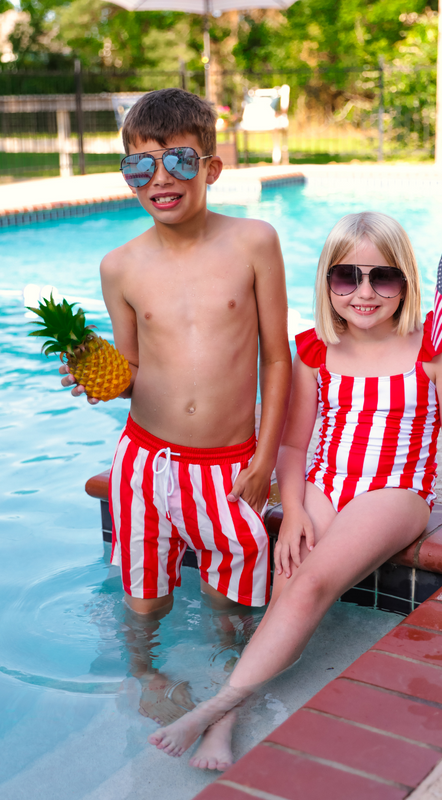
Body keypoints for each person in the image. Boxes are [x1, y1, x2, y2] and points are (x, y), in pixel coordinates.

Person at [146, 210, 442, 770]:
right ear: (327, 282)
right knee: (286, 588)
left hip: (394, 490)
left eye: (381, 277)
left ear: (405, 281)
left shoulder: (433, 352)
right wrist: (292, 512)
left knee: (310, 583)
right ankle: (227, 721)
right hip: (325, 485)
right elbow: (292, 446)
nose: (364, 292)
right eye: (347, 277)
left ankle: (215, 707)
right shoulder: (313, 349)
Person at [59, 88, 291, 745]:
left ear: (211, 168)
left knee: (230, 590)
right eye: (140, 167)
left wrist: (265, 456)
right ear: (127, 176)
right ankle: (146, 677)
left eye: (178, 162)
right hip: (144, 464)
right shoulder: (121, 266)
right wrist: (98, 380)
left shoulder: (253, 242)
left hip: (228, 464)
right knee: (145, 594)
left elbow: (277, 359)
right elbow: (131, 373)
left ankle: (226, 684)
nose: (159, 179)